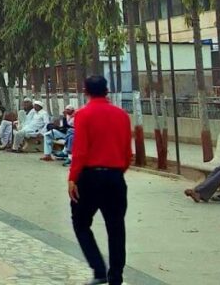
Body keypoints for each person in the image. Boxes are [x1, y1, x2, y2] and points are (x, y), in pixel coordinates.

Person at [68, 75, 132, 285]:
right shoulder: (122, 115)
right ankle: (116, 277)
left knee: (80, 222)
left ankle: (98, 269)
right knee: (116, 228)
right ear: (106, 91)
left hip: (89, 177)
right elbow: (126, 152)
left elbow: (80, 150)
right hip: (115, 177)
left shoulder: (83, 114)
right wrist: (117, 173)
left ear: (85, 91)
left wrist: (73, 178)